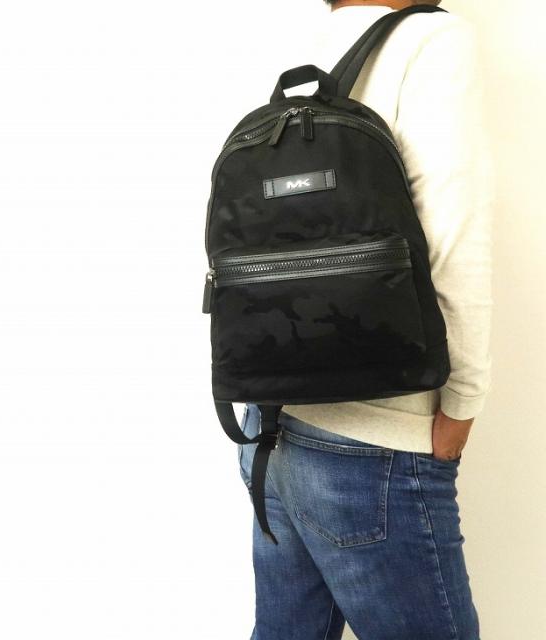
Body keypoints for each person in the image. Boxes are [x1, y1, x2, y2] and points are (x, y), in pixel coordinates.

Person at [238, 1, 493, 638]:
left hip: (268, 425)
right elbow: (454, 239)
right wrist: (463, 403)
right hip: (378, 440)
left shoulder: (304, 44)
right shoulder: (434, 37)